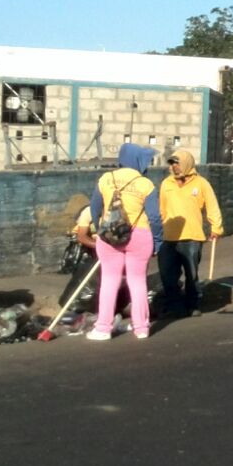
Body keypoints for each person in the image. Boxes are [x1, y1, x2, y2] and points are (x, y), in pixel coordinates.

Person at [88, 143, 164, 341]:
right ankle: (141, 328)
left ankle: (103, 328)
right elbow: (155, 217)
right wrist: (157, 242)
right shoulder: (145, 184)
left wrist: (101, 230)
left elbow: (95, 209)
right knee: (137, 282)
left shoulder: (105, 179)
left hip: (109, 237)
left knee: (109, 281)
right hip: (140, 236)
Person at [157, 149, 224, 318]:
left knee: (191, 274)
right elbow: (162, 210)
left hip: (192, 237)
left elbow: (212, 206)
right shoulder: (167, 184)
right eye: (172, 163)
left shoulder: (201, 183)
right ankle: (174, 305)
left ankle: (192, 305)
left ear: (187, 163)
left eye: (177, 162)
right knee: (167, 273)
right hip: (170, 236)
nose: (174, 167)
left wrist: (216, 227)